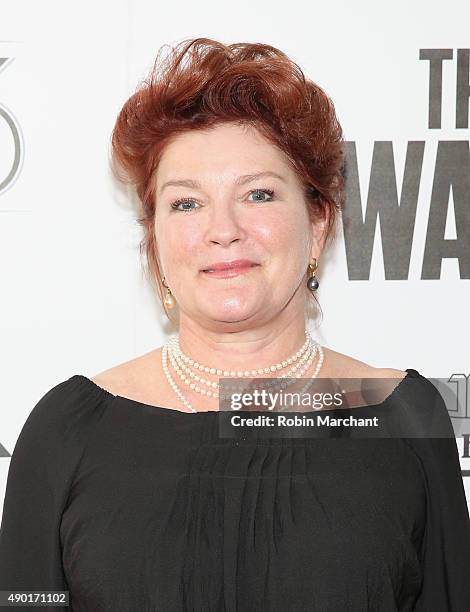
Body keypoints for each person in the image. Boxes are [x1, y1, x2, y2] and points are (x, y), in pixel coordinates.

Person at [0, 37, 469, 611]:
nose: (223, 229)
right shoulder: (67, 429)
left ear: (318, 222)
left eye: (259, 194)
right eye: (186, 203)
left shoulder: (399, 413)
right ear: (155, 241)